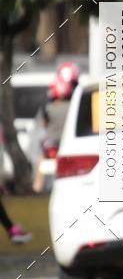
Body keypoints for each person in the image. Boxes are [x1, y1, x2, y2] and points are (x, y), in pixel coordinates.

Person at [32, 62, 79, 193]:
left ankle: (37, 186)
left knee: (40, 158)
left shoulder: (49, 106)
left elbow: (43, 126)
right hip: (62, 145)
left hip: (52, 145)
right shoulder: (76, 104)